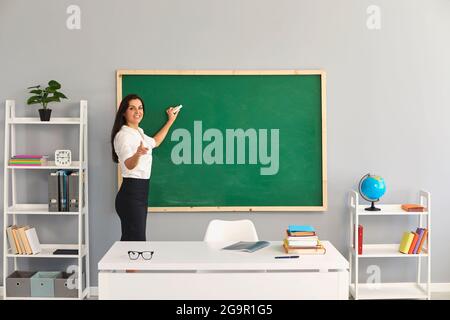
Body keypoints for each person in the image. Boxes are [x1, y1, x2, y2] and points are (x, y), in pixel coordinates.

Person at [111, 94, 179, 241]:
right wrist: (137, 154)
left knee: (133, 246)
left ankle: (128, 265)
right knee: (136, 246)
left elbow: (155, 142)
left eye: (140, 108)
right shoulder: (123, 135)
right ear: (124, 112)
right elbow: (129, 165)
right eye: (132, 108)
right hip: (131, 194)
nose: (137, 111)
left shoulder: (138, 132)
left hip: (140, 193)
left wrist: (170, 121)